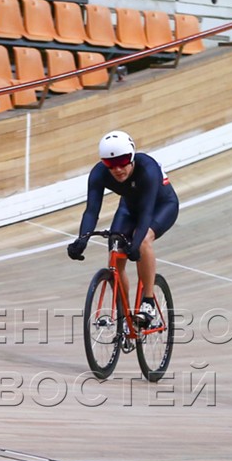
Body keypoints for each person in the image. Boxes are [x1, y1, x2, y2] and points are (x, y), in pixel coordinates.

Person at [66, 131, 179, 329]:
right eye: (111, 164)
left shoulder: (148, 168)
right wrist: (82, 240)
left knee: (142, 241)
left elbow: (145, 214)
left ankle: (148, 302)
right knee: (115, 251)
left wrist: (135, 246)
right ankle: (124, 316)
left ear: (132, 156)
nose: (117, 169)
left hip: (160, 206)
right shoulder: (99, 173)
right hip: (128, 208)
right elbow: (92, 211)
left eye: (123, 161)